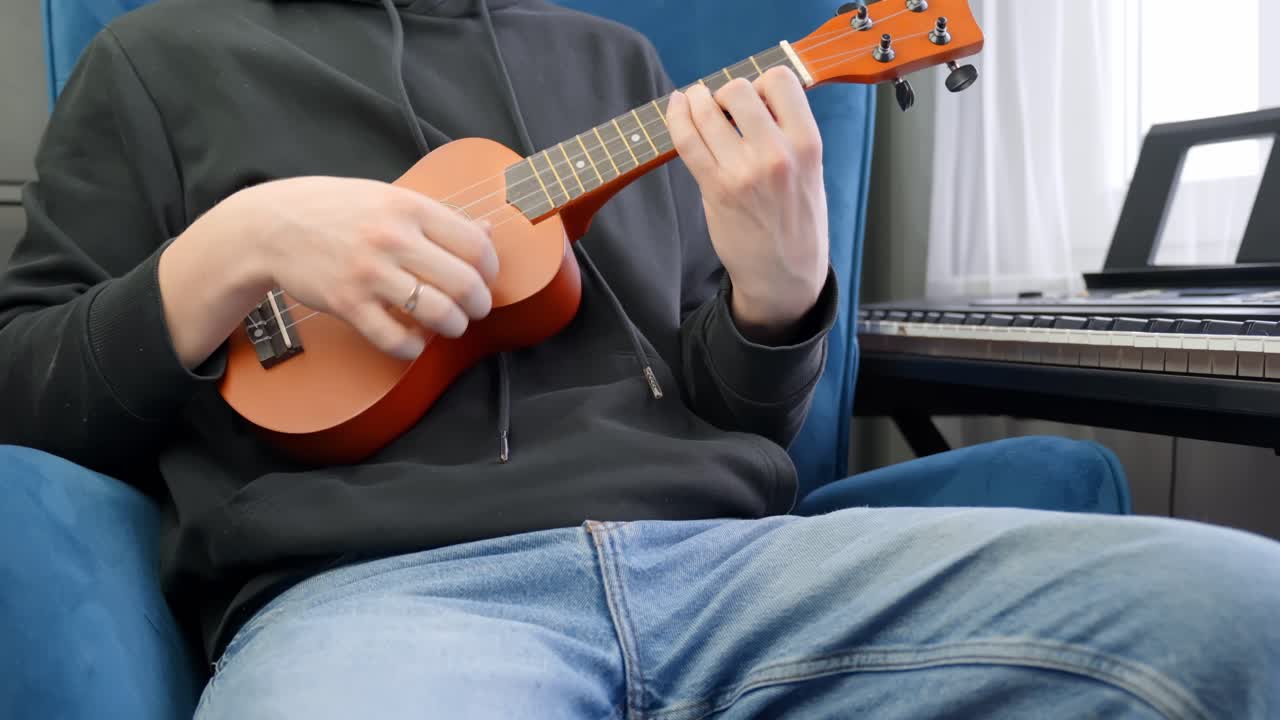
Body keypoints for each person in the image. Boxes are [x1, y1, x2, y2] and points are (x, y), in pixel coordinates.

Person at [0, 0, 1276, 717]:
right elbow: (25, 384)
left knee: (1238, 609)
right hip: (379, 600)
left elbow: (734, 408)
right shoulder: (158, 61)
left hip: (739, 569)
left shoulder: (618, 66)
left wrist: (782, 295)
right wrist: (225, 252)